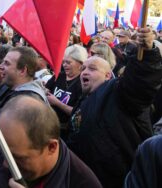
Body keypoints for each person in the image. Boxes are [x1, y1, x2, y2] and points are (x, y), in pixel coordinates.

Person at [66, 28, 162, 188]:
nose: (84, 72)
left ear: (108, 75)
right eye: (83, 68)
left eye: (92, 68)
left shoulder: (118, 93)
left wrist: (146, 54)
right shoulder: (84, 100)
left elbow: (139, 83)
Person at [0, 96, 102, 188]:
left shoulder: (83, 183)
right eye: (4, 151)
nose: (5, 163)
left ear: (51, 147)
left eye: (18, 158)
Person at [46, 44, 86, 138]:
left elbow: (78, 113)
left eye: (68, 62)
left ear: (80, 63)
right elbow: (47, 88)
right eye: (63, 62)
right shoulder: (59, 76)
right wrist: (44, 90)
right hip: (47, 123)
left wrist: (57, 103)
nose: (64, 65)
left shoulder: (83, 83)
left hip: (64, 132)